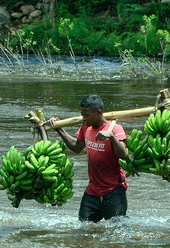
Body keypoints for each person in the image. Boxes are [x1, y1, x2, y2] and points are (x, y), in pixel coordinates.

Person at [46, 94, 128, 222]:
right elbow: (76, 147)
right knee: (84, 227)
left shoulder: (115, 128)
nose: (83, 118)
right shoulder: (86, 127)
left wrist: (111, 137)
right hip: (93, 190)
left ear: (98, 112)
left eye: (87, 115)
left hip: (113, 190)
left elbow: (123, 154)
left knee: (116, 229)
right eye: (82, 115)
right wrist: (59, 130)